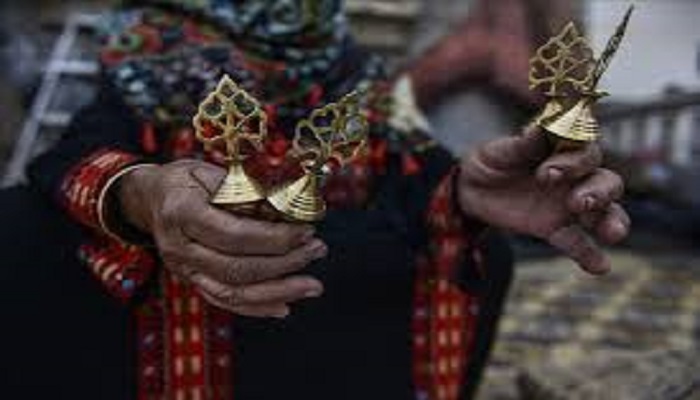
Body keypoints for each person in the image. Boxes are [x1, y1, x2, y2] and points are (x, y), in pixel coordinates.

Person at [0, 1, 628, 399]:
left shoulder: (339, 58)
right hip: (173, 280)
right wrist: (148, 197)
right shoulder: (149, 44)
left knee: (482, 254)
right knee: (20, 230)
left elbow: (401, 165)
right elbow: (81, 155)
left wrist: (462, 194)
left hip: (320, 280)